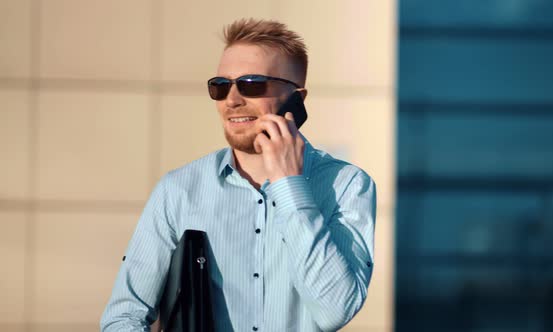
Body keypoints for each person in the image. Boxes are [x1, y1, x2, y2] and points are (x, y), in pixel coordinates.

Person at [100, 18, 376, 332]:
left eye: (251, 84)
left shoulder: (348, 186)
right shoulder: (178, 190)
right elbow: (123, 318)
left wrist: (289, 186)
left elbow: (334, 311)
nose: (232, 100)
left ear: (297, 98)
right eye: (220, 86)